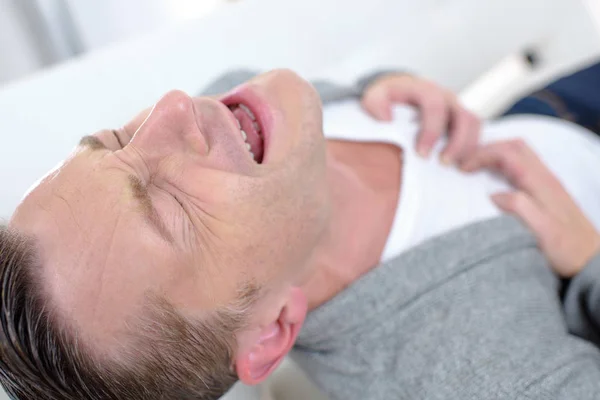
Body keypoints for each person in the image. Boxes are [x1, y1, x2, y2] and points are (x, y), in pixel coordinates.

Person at [2, 62, 600, 400]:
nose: (175, 108)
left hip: (555, 106)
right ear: (269, 335)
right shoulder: (478, 375)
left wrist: (385, 89)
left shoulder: (249, 115)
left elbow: (311, 105)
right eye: (173, 207)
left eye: (115, 141)